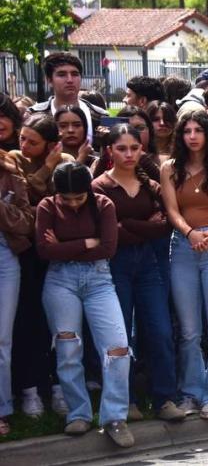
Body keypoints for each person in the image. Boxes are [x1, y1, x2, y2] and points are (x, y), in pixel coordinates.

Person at [36, 162, 133, 447]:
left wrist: (65, 245)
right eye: (67, 199)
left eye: (79, 197)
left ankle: (115, 417)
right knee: (67, 348)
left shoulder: (103, 204)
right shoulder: (46, 207)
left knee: (117, 347)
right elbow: (43, 250)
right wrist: (87, 242)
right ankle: (78, 413)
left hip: (99, 280)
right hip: (59, 281)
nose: (74, 203)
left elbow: (108, 248)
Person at [92, 124, 183, 422]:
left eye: (134, 148)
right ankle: (126, 401)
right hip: (113, 266)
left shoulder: (151, 186)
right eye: (121, 148)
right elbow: (108, 235)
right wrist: (142, 227)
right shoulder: (99, 187)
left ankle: (165, 398)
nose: (129, 154)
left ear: (141, 149)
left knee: (159, 330)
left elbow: (163, 226)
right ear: (110, 151)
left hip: (148, 265)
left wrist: (127, 226)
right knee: (121, 336)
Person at [160, 110, 208, 419]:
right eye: (187, 131)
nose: (192, 136)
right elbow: (172, 210)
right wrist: (190, 233)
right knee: (189, 331)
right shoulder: (169, 168)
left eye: (198, 130)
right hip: (182, 247)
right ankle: (191, 392)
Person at [9, 115, 73, 418]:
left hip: (57, 252)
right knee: (27, 322)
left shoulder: (68, 159)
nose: (24, 145)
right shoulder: (13, 158)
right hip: (26, 254)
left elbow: (66, 204)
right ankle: (29, 389)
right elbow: (26, 198)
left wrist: (41, 211)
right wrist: (47, 166)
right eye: (22, 138)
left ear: (49, 144)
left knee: (58, 323)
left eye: (32, 141)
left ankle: (59, 386)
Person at [0, 148, 32, 437]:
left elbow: (26, 222)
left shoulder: (11, 173)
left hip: (5, 257)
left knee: (2, 339)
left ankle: (2, 409)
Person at [27, 53, 107, 144]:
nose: (70, 80)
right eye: (62, 75)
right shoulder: (34, 115)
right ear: (49, 80)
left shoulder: (100, 116)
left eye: (75, 74)